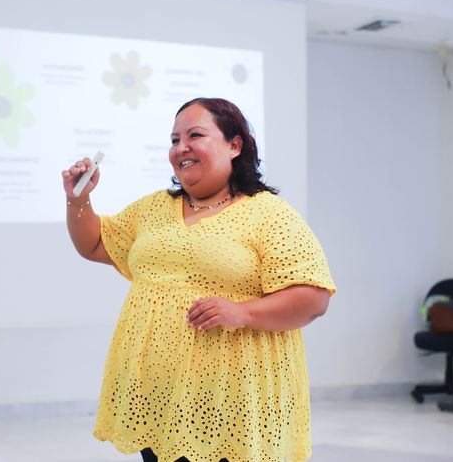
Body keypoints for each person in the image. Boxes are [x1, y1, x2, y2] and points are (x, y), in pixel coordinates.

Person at [62, 97, 336, 462]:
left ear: (234, 145)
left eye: (195, 135)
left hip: (231, 401)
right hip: (157, 397)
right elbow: (95, 243)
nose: (181, 148)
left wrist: (243, 312)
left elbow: (314, 297)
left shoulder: (268, 214)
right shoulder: (154, 207)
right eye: (175, 139)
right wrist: (78, 201)